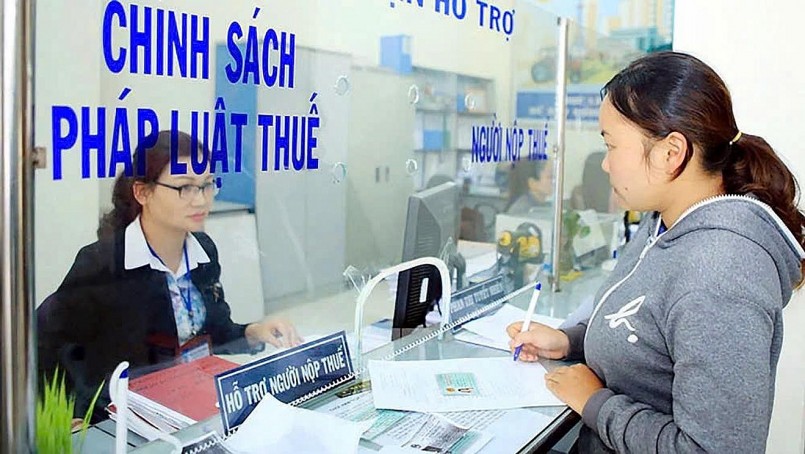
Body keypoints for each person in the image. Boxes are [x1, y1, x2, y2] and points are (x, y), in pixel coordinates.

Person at [507, 51, 805, 453]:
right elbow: (645, 330)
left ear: (671, 153)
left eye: (612, 145)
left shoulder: (721, 274)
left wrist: (596, 403)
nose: (606, 165)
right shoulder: (663, 222)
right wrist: (569, 342)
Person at [37, 130, 302, 419]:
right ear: (143, 193)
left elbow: (211, 332)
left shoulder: (203, 250)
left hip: (186, 402)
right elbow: (46, 345)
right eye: (185, 187)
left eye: (207, 185)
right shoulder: (104, 263)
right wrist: (67, 417)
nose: (201, 200)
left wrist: (253, 332)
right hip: (126, 419)